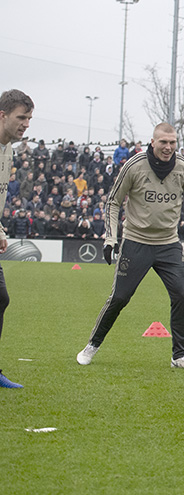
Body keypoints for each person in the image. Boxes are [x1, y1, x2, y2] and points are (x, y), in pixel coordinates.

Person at [76, 123, 184, 371]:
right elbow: (113, 202)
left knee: (181, 295)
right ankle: (92, 345)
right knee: (120, 297)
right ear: (153, 142)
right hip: (136, 242)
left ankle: (179, 356)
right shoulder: (134, 166)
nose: (168, 147)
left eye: (172, 142)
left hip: (168, 244)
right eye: (163, 142)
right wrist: (110, 238)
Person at [0, 89, 34, 389]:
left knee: (1, 299)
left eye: (29, 119)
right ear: (3, 115)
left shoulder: (8, 149)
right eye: (21, 117)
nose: (26, 124)